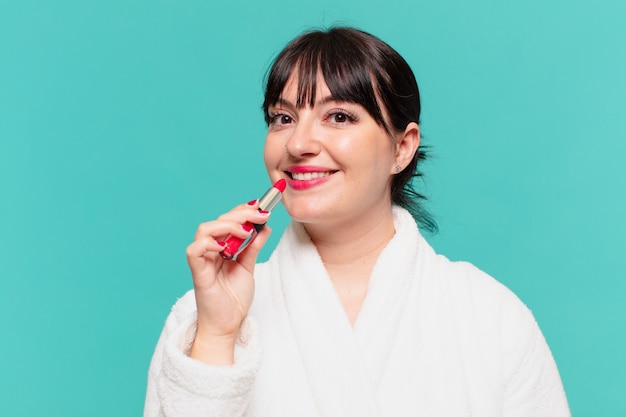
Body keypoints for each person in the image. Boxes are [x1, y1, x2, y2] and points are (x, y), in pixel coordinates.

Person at [144, 27, 570, 417]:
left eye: (339, 116)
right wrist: (217, 336)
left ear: (402, 148)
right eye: (283, 118)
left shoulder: (491, 318)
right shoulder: (197, 321)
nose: (297, 143)